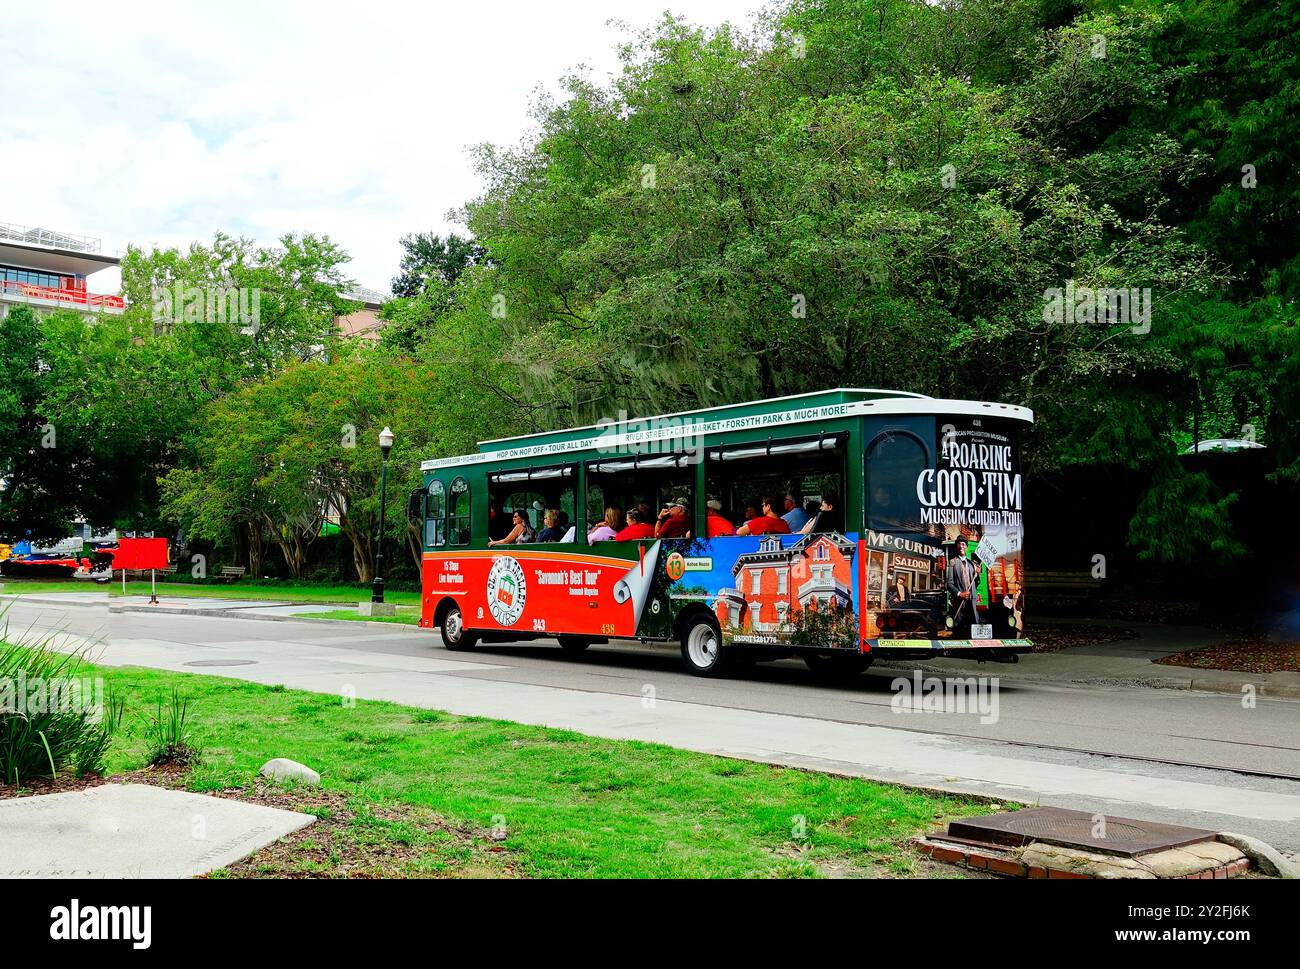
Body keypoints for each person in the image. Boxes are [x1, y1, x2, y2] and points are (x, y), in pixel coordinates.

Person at [946, 536, 983, 637]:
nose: (961, 546)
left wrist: (978, 574)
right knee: (959, 630)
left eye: (963, 544)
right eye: (959, 544)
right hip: (960, 602)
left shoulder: (972, 564)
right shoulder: (953, 562)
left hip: (972, 601)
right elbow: (949, 584)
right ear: (956, 547)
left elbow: (977, 582)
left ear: (966, 547)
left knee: (974, 628)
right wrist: (959, 594)